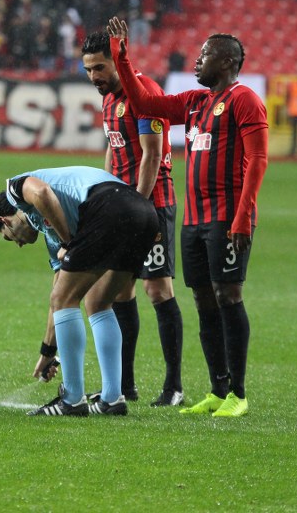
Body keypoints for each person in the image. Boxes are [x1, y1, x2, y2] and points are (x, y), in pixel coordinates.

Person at [107, 16, 269, 417]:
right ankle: (217, 390)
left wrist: (243, 217)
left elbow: (258, 160)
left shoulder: (244, 99)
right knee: (203, 299)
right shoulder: (196, 104)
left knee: (229, 295)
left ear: (228, 61)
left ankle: (239, 394)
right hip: (194, 220)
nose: (196, 62)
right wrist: (122, 60)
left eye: (204, 55)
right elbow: (146, 104)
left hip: (227, 217)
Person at [0, 166, 159, 416]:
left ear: (5, 220)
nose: (19, 244)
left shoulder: (14, 188)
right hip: (143, 213)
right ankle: (112, 398)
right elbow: (59, 290)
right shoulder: (50, 228)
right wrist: (48, 350)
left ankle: (72, 400)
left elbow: (43, 192)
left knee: (66, 299)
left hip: (109, 207)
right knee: (98, 302)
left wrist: (69, 242)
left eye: (9, 236)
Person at [81, 31, 185, 407]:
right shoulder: (109, 100)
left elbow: (152, 156)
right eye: (88, 70)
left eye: (99, 67)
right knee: (120, 290)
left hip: (151, 207)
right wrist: (106, 193)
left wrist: (137, 209)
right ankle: (124, 385)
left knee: (157, 290)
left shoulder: (145, 94)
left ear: (116, 62)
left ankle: (173, 387)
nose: (94, 76)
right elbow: (114, 148)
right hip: (121, 207)